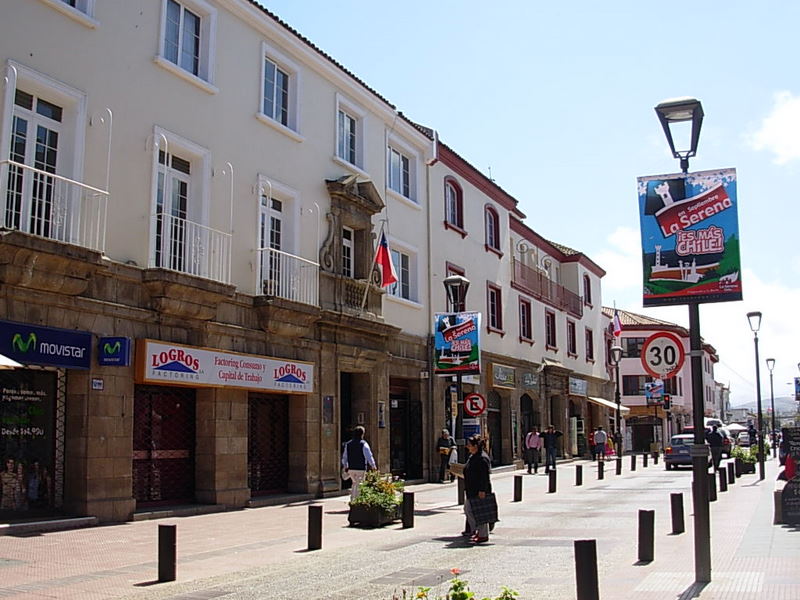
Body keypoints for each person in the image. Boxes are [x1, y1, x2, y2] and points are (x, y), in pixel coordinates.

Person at [463, 435, 493, 544]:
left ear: (475, 446)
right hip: (472, 489)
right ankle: (478, 531)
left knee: (480, 511)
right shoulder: (473, 456)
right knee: (469, 509)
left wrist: (482, 490)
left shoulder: (482, 458)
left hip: (478, 490)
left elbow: (484, 476)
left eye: (469, 445)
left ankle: (483, 534)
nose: (467, 447)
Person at [341, 426, 376, 501]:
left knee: (354, 484)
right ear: (362, 434)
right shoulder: (364, 444)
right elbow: (369, 456)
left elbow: (345, 457)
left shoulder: (348, 444)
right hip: (360, 468)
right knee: (359, 485)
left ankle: (352, 499)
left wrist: (345, 466)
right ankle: (357, 501)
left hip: (351, 468)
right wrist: (373, 466)